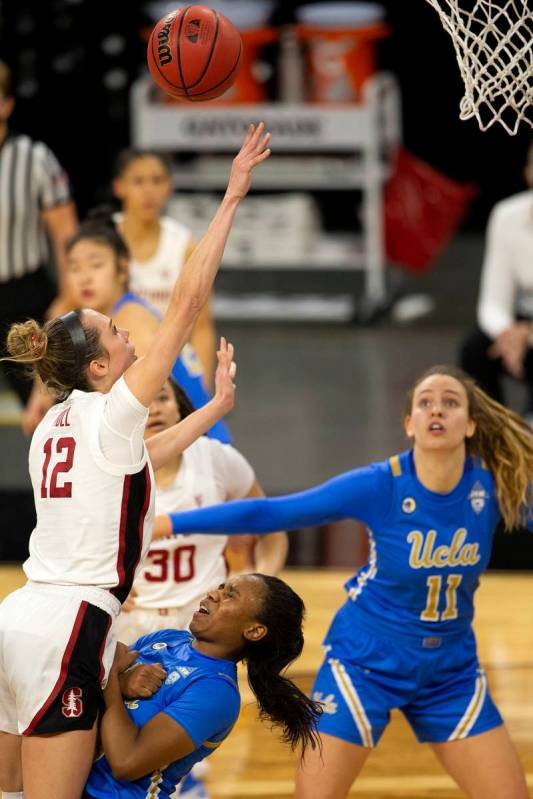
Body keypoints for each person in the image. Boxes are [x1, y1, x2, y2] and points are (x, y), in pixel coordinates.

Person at [0, 123, 271, 799]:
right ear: (98, 367)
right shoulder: (112, 408)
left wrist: (211, 411)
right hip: (73, 624)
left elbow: (141, 458)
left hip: (17, 614)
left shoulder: (51, 425)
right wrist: (233, 193)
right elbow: (186, 301)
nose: (127, 333)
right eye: (115, 333)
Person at [159, 365, 533, 799]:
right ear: (409, 424)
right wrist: (167, 522)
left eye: (451, 402)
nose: (437, 410)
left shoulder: (495, 485)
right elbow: (271, 513)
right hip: (366, 662)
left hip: (449, 669)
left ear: (469, 423)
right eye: (425, 402)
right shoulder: (381, 485)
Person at [83, 574, 321, 799]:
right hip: (70, 780)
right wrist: (121, 681)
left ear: (254, 631)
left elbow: (127, 762)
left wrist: (111, 679)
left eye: (230, 595)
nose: (213, 594)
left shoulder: (216, 693)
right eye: (220, 587)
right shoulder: (167, 638)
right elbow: (95, 670)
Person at [22, 210, 232, 443]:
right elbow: (57, 321)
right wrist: (39, 393)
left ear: (122, 269)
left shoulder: (132, 323)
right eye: (74, 268)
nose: (85, 278)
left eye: (95, 265)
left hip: (197, 446)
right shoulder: (102, 317)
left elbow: (155, 412)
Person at [116, 377, 288, 644]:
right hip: (126, 617)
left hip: (203, 616)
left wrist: (258, 586)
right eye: (144, 402)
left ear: (179, 408)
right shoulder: (107, 468)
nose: (156, 409)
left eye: (163, 398)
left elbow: (271, 530)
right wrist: (102, 582)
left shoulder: (216, 457)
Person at [0, 59, 78, 406]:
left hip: (23, 297)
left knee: (48, 406)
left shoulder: (33, 158)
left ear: (7, 104)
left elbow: (66, 234)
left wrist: (67, 297)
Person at [112, 148, 216, 382]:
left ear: (170, 186)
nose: (149, 191)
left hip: (170, 373)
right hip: (111, 371)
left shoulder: (185, 247)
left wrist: (202, 392)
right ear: (119, 187)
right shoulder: (101, 240)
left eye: (157, 181)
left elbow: (202, 328)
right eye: (138, 181)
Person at [460, 141, 533, 417]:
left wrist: (529, 334)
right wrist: (509, 333)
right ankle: (497, 433)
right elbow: (493, 302)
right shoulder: (506, 216)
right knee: (476, 350)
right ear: (528, 173)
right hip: (521, 327)